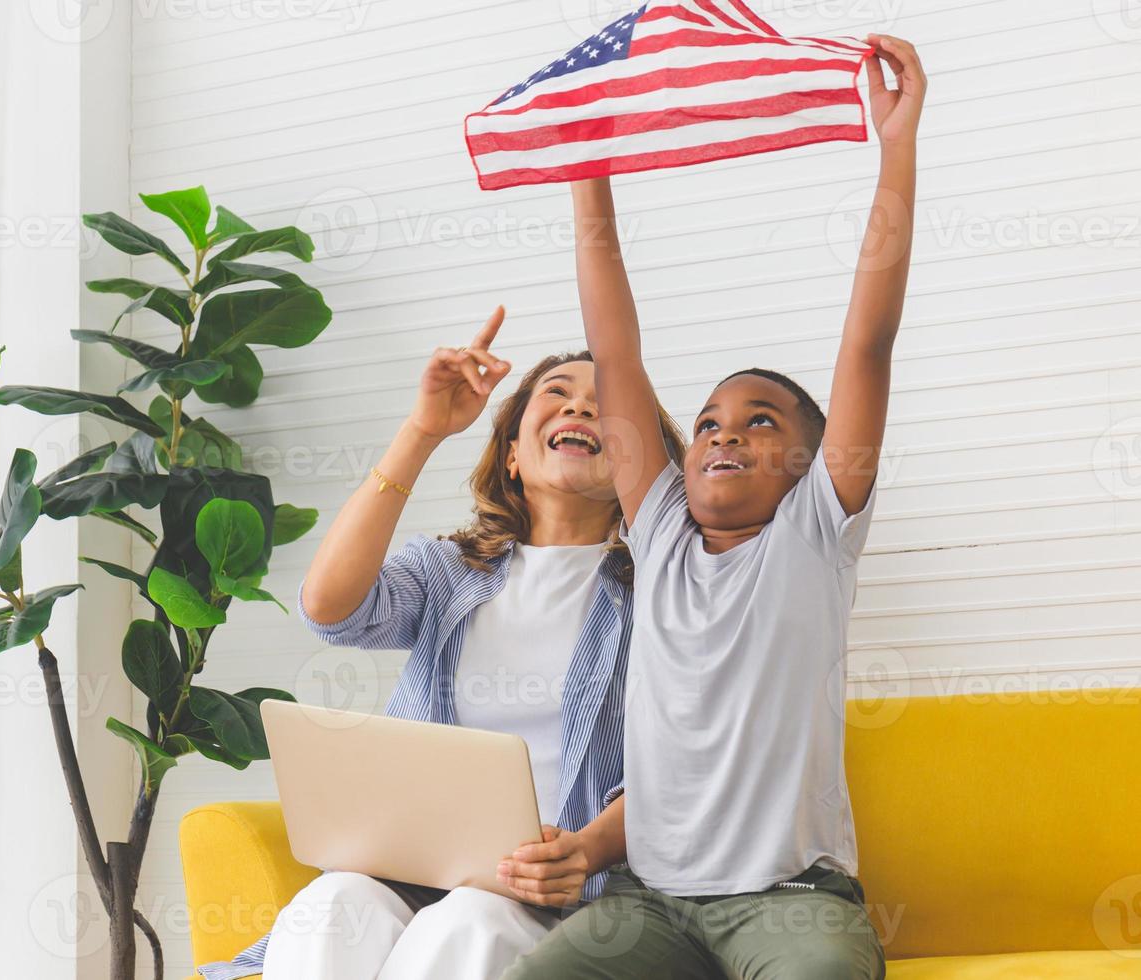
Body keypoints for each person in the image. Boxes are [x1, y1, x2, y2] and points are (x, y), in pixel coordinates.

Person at [502, 32, 926, 980]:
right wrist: (589, 160)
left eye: (761, 421)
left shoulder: (815, 536)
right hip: (650, 905)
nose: (724, 435)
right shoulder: (657, 534)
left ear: (814, 466)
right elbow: (615, 348)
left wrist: (895, 147)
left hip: (787, 902)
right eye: (706, 423)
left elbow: (868, 343)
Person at [196, 307, 687, 980]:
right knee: (328, 907)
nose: (579, 407)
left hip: (556, 898)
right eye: (559, 394)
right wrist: (424, 430)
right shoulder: (448, 572)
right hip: (408, 870)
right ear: (513, 454)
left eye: (605, 407)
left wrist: (583, 851)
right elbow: (330, 610)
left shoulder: (662, 600)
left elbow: (678, 768)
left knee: (465, 925)